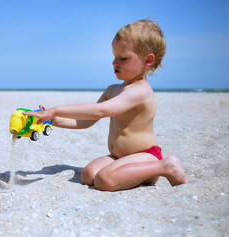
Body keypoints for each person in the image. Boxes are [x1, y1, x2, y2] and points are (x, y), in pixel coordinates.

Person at [24, 19, 187, 191]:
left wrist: (55, 109)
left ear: (148, 60)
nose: (114, 62)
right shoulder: (113, 89)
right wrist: (52, 120)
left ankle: (164, 167)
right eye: (114, 56)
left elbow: (100, 111)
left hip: (145, 156)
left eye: (123, 58)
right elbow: (85, 121)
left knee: (104, 180)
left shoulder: (140, 92)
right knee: (88, 175)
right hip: (119, 157)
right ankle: (135, 173)